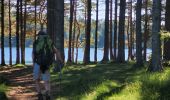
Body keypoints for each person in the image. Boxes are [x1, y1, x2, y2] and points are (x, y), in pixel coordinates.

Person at [32, 31, 63, 100]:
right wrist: (60, 60)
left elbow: (33, 54)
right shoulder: (49, 43)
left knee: (37, 79)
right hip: (46, 64)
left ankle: (39, 94)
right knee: (46, 81)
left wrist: (33, 63)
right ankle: (48, 95)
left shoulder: (36, 42)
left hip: (37, 63)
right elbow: (56, 51)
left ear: (38, 36)